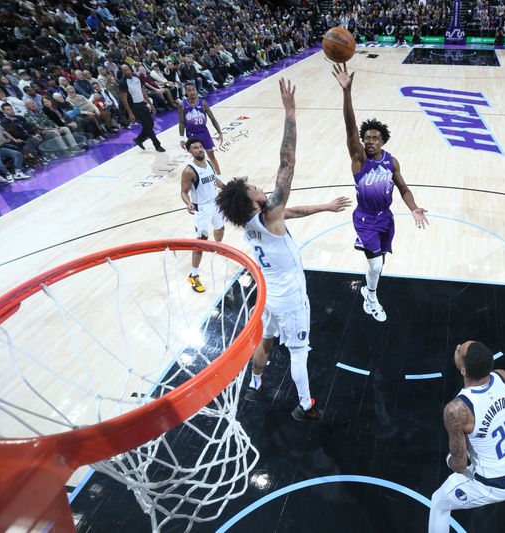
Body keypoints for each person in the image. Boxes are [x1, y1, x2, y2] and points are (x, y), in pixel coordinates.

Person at [215, 78, 351, 421]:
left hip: (267, 296)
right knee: (299, 353)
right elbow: (286, 162)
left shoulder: (253, 222)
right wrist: (290, 112)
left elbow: (290, 213)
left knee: (266, 343)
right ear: (251, 200)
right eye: (254, 187)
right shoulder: (268, 212)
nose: (260, 186)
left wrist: (324, 207)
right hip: (290, 299)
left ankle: (256, 384)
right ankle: (306, 406)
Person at [332, 62, 428, 322]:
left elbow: (404, 188)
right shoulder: (359, 160)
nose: (369, 141)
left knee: (380, 262)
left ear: (383, 141)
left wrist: (414, 208)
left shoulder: (391, 161)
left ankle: (370, 287)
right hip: (365, 218)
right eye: (367, 138)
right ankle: (370, 297)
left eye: (375, 138)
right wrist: (346, 92)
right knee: (375, 265)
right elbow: (350, 126)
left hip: (385, 217)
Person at [428, 341, 505, 533]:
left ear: (464, 371)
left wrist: (451, 459)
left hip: (498, 483)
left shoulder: (456, 410)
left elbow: (459, 466)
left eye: (460, 349)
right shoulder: (503, 377)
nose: (458, 346)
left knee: (438, 502)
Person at [180, 138, 226, 293]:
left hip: (215, 203)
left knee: (220, 228)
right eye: (195, 148)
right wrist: (188, 203)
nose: (199, 149)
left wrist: (225, 187)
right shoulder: (189, 171)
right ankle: (194, 275)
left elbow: (214, 180)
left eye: (200, 147)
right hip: (202, 210)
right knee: (201, 242)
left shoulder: (209, 163)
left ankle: (218, 248)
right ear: (189, 151)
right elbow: (183, 191)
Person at [179, 83, 224, 176]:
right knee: (198, 157)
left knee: (211, 155)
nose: (192, 92)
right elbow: (181, 123)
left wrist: (220, 132)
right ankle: (203, 176)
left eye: (193, 89)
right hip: (192, 135)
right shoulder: (182, 105)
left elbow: (212, 118)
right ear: (186, 92)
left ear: (196, 90)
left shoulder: (203, 103)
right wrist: (181, 139)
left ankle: (220, 177)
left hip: (204, 132)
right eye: (189, 90)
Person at [118, 63, 165, 152]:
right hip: (134, 106)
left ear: (130, 69)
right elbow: (124, 99)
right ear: (122, 72)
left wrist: (150, 104)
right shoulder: (122, 82)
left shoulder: (136, 77)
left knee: (150, 124)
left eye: (128, 69)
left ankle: (139, 139)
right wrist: (130, 113)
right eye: (124, 70)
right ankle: (157, 145)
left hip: (142, 103)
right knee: (147, 125)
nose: (127, 71)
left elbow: (142, 91)